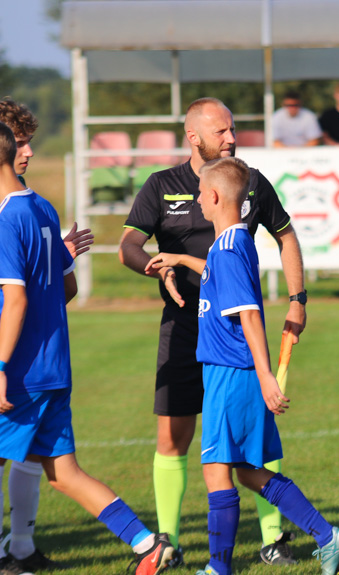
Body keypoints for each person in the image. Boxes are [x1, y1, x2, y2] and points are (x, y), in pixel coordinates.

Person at [118, 97, 307, 567]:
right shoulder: (162, 185)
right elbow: (127, 246)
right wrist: (154, 270)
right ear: (193, 136)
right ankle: (168, 541)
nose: (231, 138)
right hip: (184, 330)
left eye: (233, 129)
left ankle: (272, 538)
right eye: (220, 131)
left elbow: (285, 235)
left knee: (252, 440)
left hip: (240, 337)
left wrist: (297, 299)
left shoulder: (248, 181)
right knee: (173, 437)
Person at [144, 157, 339, 575]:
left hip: (233, 373)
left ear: (215, 196)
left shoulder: (229, 247)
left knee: (216, 470)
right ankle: (329, 537)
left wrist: (265, 377)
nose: (198, 199)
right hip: (229, 371)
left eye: (201, 193)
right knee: (247, 471)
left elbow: (250, 315)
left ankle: (218, 568)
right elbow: (217, 276)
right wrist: (181, 260)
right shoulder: (231, 244)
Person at [0, 121, 175, 575]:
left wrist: (0, 365)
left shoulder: (5, 218)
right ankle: (146, 544)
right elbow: (61, 292)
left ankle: (14, 552)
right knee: (64, 472)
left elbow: (16, 299)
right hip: (54, 367)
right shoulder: (41, 208)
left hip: (20, 373)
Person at [0, 98, 93, 574]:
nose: (29, 151)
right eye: (19, 141)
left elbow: (58, 293)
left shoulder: (28, 207)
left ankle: (17, 549)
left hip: (22, 357)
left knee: (29, 457)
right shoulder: (14, 209)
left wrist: (57, 261)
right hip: (21, 355)